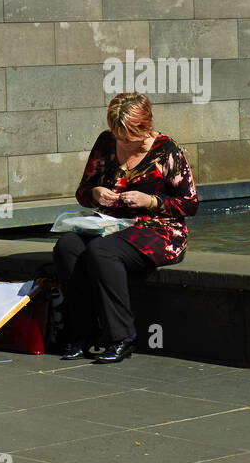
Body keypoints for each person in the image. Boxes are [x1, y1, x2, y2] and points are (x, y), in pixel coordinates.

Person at [54, 92, 198, 363]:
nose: (121, 141)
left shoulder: (167, 151)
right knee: (67, 246)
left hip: (160, 230)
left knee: (102, 251)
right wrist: (96, 193)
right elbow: (83, 191)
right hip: (110, 225)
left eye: (128, 136)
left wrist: (151, 200)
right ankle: (83, 334)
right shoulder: (105, 142)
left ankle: (122, 336)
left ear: (144, 127)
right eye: (117, 134)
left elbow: (189, 204)